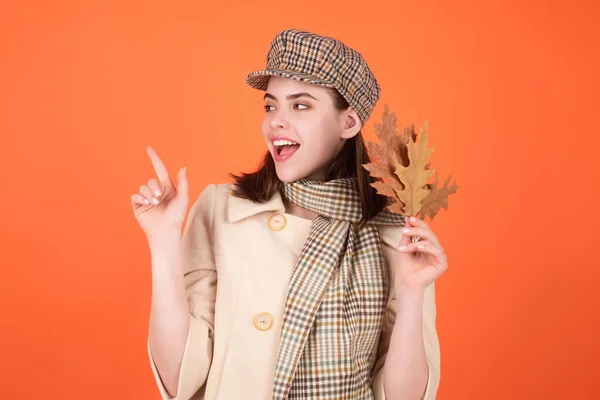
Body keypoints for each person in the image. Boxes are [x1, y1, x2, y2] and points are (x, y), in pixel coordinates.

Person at [132, 28, 447, 400]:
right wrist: (163, 242)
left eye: (301, 105)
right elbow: (180, 379)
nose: (276, 122)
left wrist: (412, 294)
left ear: (348, 122)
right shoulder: (221, 209)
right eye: (270, 105)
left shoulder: (394, 232)